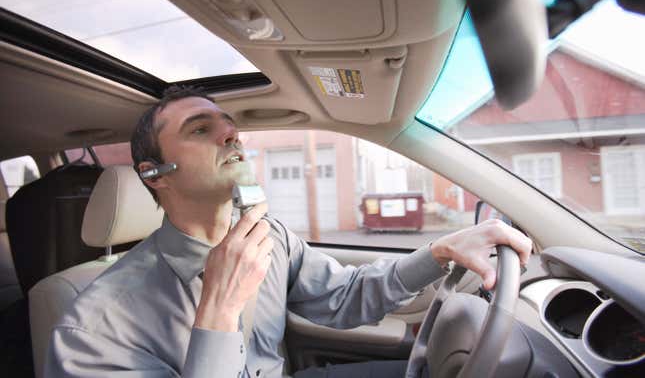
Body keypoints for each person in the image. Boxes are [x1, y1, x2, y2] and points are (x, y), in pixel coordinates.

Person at [45, 86, 532, 378]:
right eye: (199, 129)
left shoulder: (271, 237)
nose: (230, 135)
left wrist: (441, 251)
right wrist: (218, 308)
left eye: (229, 125)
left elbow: (345, 297)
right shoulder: (91, 327)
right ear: (157, 174)